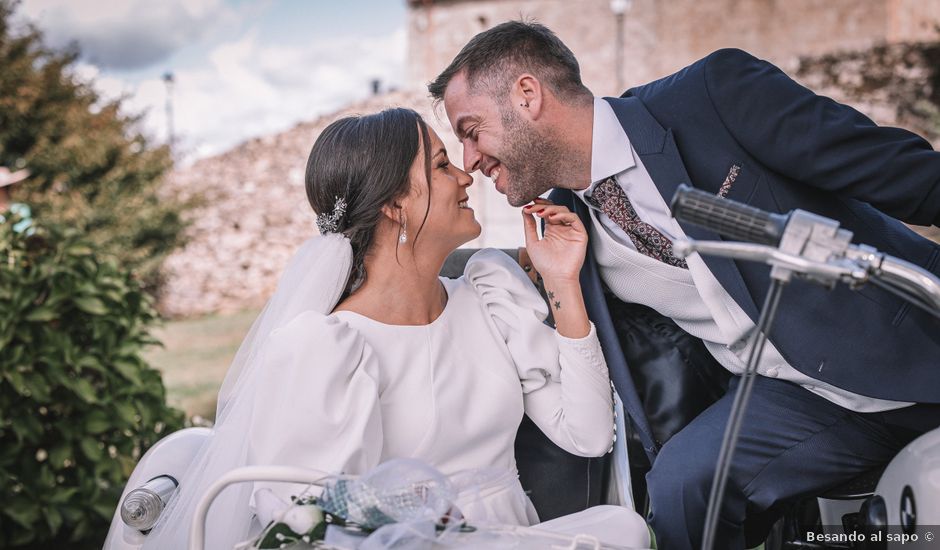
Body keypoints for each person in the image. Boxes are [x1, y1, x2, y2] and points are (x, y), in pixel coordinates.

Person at [428, 21, 940, 549]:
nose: (469, 160)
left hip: (910, 341)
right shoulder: (564, 228)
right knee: (682, 485)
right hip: (796, 400)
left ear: (527, 95)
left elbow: (898, 171)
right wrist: (558, 279)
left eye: (470, 130)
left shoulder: (713, 96)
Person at [125, 108, 649, 549]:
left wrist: (563, 283)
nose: (466, 176)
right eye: (443, 165)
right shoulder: (328, 348)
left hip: (513, 535)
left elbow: (589, 435)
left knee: (624, 528)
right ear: (396, 204)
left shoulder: (489, 296)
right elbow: (317, 526)